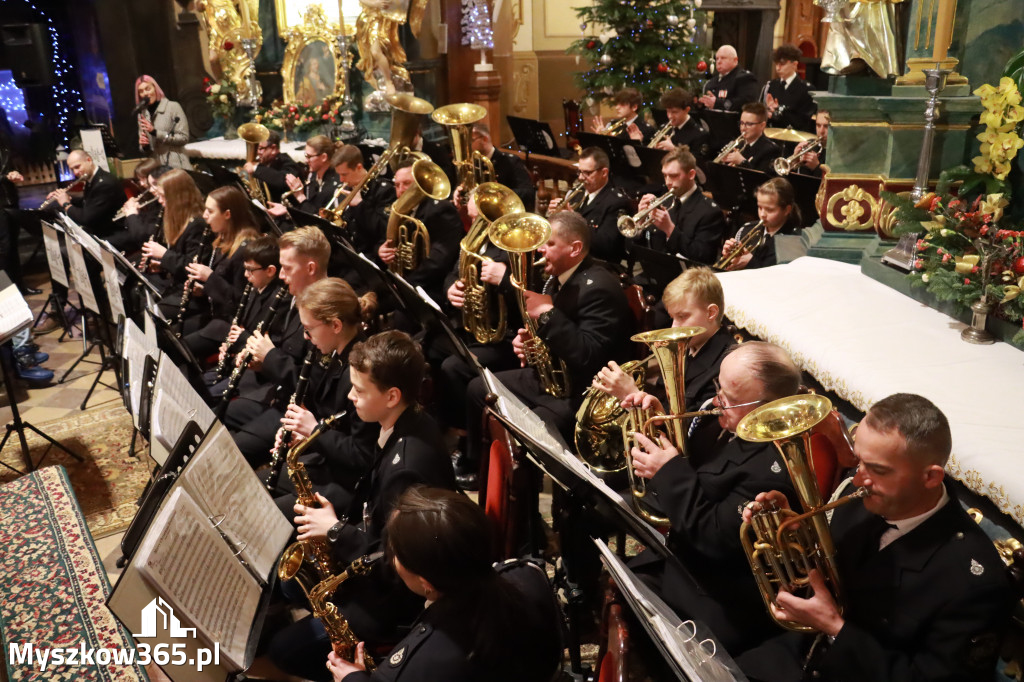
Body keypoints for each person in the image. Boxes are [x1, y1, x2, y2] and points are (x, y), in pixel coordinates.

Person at [737, 393, 1013, 681]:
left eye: (877, 470)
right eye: (860, 462)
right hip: (798, 654)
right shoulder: (858, 498)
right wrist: (792, 533)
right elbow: (831, 579)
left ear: (931, 477)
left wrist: (836, 629)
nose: (858, 480)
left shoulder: (973, 584)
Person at [267, 331, 457, 682]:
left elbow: (396, 562)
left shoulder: (408, 467)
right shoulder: (403, 423)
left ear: (391, 396)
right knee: (291, 585)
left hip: (397, 596)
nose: (350, 396)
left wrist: (335, 530)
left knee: (284, 651)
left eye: (359, 389)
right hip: (375, 557)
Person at [624, 341, 803, 652]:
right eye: (718, 388)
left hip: (721, 594)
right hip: (685, 559)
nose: (715, 402)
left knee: (630, 607)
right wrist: (659, 423)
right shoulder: (724, 420)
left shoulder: (774, 467)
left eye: (729, 399)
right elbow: (696, 466)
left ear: (767, 408)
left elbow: (714, 538)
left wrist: (666, 471)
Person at [325, 486, 563, 682]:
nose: (391, 560)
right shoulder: (528, 573)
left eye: (396, 555)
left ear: (426, 582)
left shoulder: (423, 662)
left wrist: (352, 679)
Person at [463, 211, 634, 472]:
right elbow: (556, 335)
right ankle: (481, 470)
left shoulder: (599, 287)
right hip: (554, 380)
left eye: (549, 243)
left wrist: (548, 315)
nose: (540, 249)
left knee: (536, 425)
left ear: (575, 248)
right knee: (478, 387)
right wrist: (530, 343)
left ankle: (527, 498)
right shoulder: (557, 277)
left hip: (585, 391)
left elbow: (589, 355)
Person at [270, 277, 378, 513]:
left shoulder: (360, 372)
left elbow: (362, 456)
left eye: (309, 330)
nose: (306, 337)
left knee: (269, 512)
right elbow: (330, 417)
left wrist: (313, 432)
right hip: (329, 464)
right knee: (256, 486)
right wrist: (301, 434)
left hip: (350, 485)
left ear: (336, 326)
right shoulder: (336, 353)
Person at [228, 227, 329, 448]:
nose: (281, 276)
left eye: (287, 268)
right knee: (216, 411)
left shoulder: (325, 315)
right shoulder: (298, 296)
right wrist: (259, 362)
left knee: (234, 449)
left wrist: (270, 356)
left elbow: (313, 387)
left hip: (298, 413)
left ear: (311, 268)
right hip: (277, 394)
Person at [593, 267, 733, 412]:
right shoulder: (685, 347)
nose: (674, 327)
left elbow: (685, 430)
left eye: (682, 316)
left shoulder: (726, 368)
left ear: (711, 313)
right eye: (672, 318)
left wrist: (630, 395)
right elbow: (662, 399)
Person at [181, 186, 260, 350]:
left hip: (230, 323)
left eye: (210, 211)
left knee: (183, 348)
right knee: (172, 335)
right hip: (214, 314)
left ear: (227, 214)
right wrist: (202, 289)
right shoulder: (221, 239)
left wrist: (210, 278)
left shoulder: (245, 250)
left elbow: (240, 301)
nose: (204, 216)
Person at [376, 158, 462, 304]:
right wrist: (382, 252)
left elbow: (439, 260)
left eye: (407, 184)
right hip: (412, 280)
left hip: (434, 285)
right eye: (397, 185)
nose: (401, 190)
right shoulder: (400, 211)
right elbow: (385, 241)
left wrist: (406, 283)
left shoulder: (440, 210)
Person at [636, 148, 726, 265]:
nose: (668, 182)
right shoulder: (664, 201)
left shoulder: (710, 211)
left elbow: (704, 256)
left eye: (674, 176)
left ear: (691, 174)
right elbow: (639, 249)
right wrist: (639, 223)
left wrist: (670, 229)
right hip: (656, 268)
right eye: (665, 175)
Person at [547, 147, 631, 266]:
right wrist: (556, 217)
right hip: (571, 257)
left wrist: (574, 220)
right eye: (579, 171)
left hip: (596, 264)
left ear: (604, 172)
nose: (581, 177)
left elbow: (607, 246)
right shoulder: (577, 193)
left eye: (587, 173)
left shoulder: (617, 202)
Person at [720, 177, 802, 271]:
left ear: (787, 210)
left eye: (769, 210)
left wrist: (751, 263)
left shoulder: (795, 240)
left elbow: (782, 277)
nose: (762, 214)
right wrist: (728, 258)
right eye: (760, 207)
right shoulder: (746, 229)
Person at [330, 144, 395, 258]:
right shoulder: (346, 188)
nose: (341, 179)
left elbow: (384, 229)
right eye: (339, 174)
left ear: (359, 167)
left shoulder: (383, 190)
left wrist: (360, 205)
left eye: (344, 174)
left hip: (371, 255)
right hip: (348, 253)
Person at [456, 123, 535, 209]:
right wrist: (460, 193)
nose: (467, 146)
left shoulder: (511, 161)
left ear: (485, 139)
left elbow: (528, 193)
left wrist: (500, 192)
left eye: (471, 141)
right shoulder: (471, 164)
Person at [268, 135, 342, 218]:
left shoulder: (335, 184)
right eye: (306, 155)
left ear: (324, 157)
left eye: (309, 156)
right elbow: (308, 207)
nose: (306, 160)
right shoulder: (313, 175)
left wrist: (300, 197)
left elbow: (319, 219)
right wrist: (287, 210)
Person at [135, 75, 192, 170]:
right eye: (141, 91)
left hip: (177, 167)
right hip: (157, 169)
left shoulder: (172, 107)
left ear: (155, 88)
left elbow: (184, 138)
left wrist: (155, 132)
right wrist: (145, 146)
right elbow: (147, 150)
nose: (145, 93)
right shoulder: (142, 114)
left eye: (148, 89)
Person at [763, 44, 817, 134]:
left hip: (794, 138)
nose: (778, 68)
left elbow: (803, 121)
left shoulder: (807, 89)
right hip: (772, 135)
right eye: (776, 64)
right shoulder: (771, 85)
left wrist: (779, 110)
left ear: (794, 64)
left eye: (782, 64)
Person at [718, 102, 781, 174]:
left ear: (762, 125)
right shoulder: (739, 144)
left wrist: (742, 162)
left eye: (749, 124)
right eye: (741, 123)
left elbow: (763, 179)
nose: (743, 128)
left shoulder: (770, 150)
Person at [243, 130, 303, 202]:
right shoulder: (262, 164)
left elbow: (282, 180)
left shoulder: (288, 163)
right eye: (257, 148)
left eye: (261, 148)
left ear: (273, 149)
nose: (258, 152)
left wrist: (255, 168)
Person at [699, 45, 760, 113]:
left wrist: (718, 104)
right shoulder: (711, 82)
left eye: (723, 58)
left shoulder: (745, 78)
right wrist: (699, 104)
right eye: (717, 58)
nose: (719, 61)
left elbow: (748, 104)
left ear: (735, 60)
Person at [655, 88, 711, 162]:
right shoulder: (664, 128)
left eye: (674, 112)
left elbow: (699, 163)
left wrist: (674, 149)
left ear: (687, 110)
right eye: (668, 111)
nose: (670, 116)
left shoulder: (700, 134)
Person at [590, 87, 655, 145]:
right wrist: (601, 138)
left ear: (634, 107)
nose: (617, 107)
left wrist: (636, 142)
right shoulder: (613, 124)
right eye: (617, 104)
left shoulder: (646, 130)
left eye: (622, 104)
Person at [798, 110, 830, 178]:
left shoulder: (838, 151)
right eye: (818, 125)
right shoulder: (810, 145)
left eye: (826, 126)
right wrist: (796, 160)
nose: (821, 131)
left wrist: (817, 167)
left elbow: (833, 183)